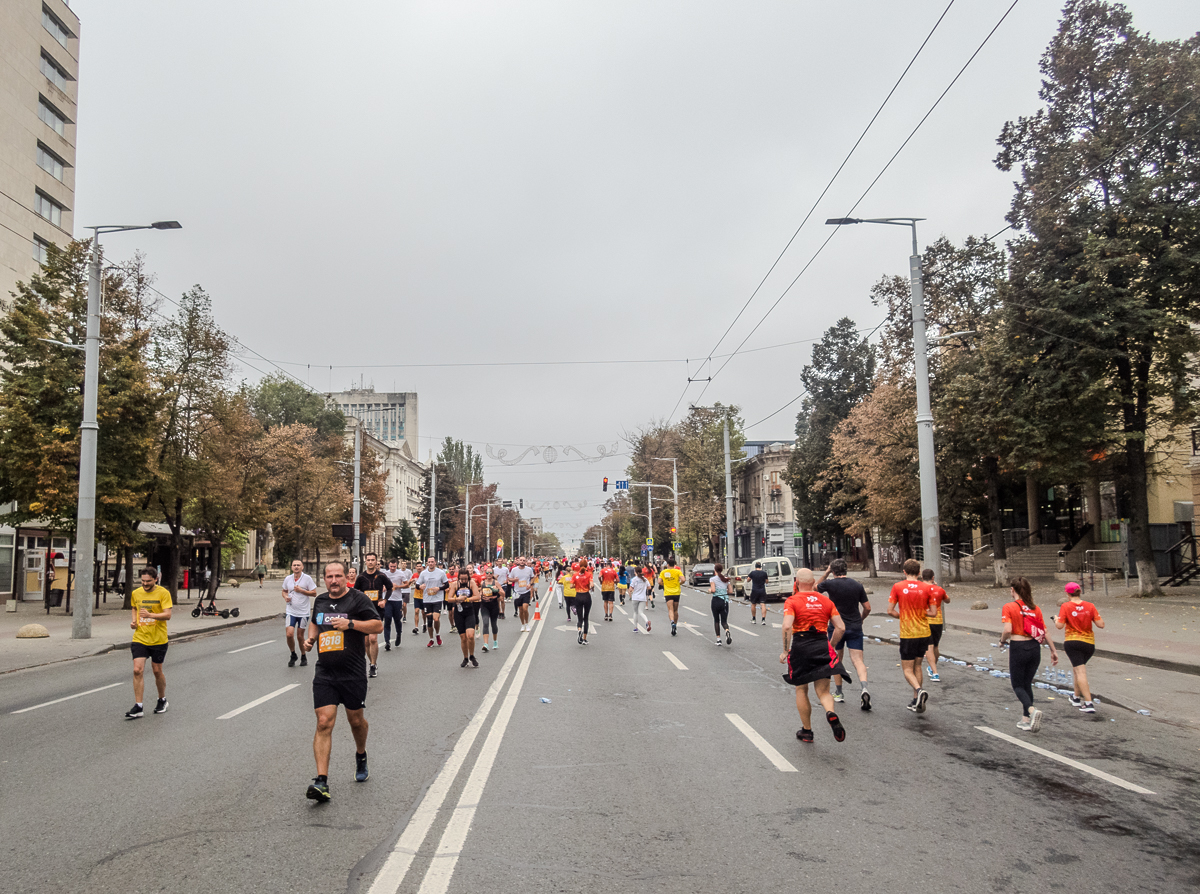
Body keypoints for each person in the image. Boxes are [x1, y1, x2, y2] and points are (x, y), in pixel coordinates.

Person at [301, 562, 383, 802]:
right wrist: (311, 639)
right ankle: (321, 781)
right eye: (329, 576)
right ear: (324, 579)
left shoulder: (357, 600)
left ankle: (360, 754)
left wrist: (351, 624)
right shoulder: (321, 600)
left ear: (346, 577)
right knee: (324, 722)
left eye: (338, 576)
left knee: (356, 721)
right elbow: (316, 620)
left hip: (353, 672)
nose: (334, 580)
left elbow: (377, 625)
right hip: (325, 672)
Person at [780, 568, 849, 743]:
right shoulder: (826, 601)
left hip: (801, 646)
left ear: (796, 582)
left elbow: (787, 626)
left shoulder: (792, 601)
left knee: (801, 688)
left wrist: (785, 650)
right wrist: (831, 646)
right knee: (824, 690)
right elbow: (841, 627)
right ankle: (830, 712)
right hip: (821, 644)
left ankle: (807, 731)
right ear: (813, 583)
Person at [1000, 576, 1059, 732]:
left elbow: (1007, 630)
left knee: (1017, 685)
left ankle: (1032, 711)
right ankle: (1026, 719)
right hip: (1034, 648)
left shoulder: (1009, 607)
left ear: (1013, 590)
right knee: (1027, 684)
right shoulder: (1035, 608)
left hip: (1018, 647)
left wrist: (1002, 641)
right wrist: (1053, 651)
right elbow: (1044, 631)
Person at [816, 559, 872, 710]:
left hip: (836, 627)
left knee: (836, 658)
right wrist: (861, 619)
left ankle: (839, 693)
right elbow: (867, 607)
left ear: (833, 571)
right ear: (846, 570)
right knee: (858, 660)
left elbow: (815, 588)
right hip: (854, 627)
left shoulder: (830, 584)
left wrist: (826, 572)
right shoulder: (857, 585)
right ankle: (864, 688)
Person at [887, 558, 937, 714]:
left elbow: (890, 610)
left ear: (904, 571)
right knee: (918, 666)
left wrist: (903, 616)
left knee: (907, 669)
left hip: (908, 633)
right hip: (924, 632)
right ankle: (916, 700)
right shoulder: (928, 588)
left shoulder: (898, 587)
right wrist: (921, 614)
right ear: (919, 572)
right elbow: (934, 613)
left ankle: (919, 690)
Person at [125, 567, 173, 720]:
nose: (145, 584)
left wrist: (150, 615)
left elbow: (168, 615)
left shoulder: (163, 593)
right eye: (143, 581)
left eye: (148, 581)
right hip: (140, 638)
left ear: (155, 580)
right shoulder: (136, 593)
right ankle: (138, 706)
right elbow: (134, 608)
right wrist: (134, 621)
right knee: (137, 670)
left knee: (157, 671)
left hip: (158, 639)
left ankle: (162, 699)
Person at [1055, 581, 1104, 713]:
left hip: (1073, 642)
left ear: (1067, 593)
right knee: (1077, 668)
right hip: (1089, 644)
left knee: (1080, 672)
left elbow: (1059, 626)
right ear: (1080, 592)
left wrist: (1055, 619)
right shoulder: (1090, 606)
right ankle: (1076, 698)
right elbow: (1101, 624)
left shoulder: (1066, 606)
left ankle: (1088, 703)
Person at [355, 553, 392, 678]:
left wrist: (384, 600)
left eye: (373, 560)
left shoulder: (381, 576)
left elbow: (390, 588)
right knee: (366, 641)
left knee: (373, 638)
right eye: (368, 560)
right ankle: (371, 661)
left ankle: (373, 665)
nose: (370, 562)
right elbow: (355, 593)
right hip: (364, 611)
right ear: (365, 562)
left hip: (377, 610)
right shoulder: (361, 577)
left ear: (376, 562)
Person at [283, 559, 318, 668]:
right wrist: (285, 597)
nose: (296, 567)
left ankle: (303, 655)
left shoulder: (307, 579)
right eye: (294, 565)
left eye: (298, 565)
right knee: (289, 634)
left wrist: (301, 590)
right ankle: (293, 654)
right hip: (291, 611)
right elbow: (284, 591)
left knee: (299, 636)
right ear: (291, 567)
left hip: (303, 612)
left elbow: (314, 593)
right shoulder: (288, 579)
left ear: (302, 567)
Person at [448, 568, 482, 667]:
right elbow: (449, 599)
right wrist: (457, 599)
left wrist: (467, 599)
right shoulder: (455, 584)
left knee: (470, 636)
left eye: (465, 579)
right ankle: (465, 658)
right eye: (462, 579)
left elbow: (477, 596)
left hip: (469, 611)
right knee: (463, 637)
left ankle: (472, 655)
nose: (463, 581)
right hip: (459, 612)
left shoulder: (471, 583)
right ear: (459, 578)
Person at [920, 568, 949, 682]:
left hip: (926, 620)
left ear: (922, 578)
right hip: (938, 621)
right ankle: (932, 668)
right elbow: (948, 600)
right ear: (933, 578)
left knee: (929, 647)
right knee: (935, 646)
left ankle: (935, 672)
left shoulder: (920, 589)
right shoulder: (939, 589)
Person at [416, 557, 449, 647]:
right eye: (429, 562)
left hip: (438, 599)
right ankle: (431, 639)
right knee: (429, 620)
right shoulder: (423, 573)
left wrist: (439, 588)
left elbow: (447, 585)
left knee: (436, 619)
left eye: (432, 562)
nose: (431, 564)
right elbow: (417, 585)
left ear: (435, 563)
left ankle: (437, 635)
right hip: (427, 599)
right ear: (427, 563)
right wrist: (420, 586)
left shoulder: (441, 573)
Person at [383, 559, 413, 651]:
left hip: (397, 599)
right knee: (387, 619)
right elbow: (380, 584)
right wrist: (383, 587)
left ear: (397, 566)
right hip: (387, 600)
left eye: (394, 567)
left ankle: (398, 634)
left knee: (397, 619)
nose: (392, 568)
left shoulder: (400, 574)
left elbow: (407, 585)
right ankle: (387, 641)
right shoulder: (385, 574)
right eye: (391, 566)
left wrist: (397, 586)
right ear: (388, 566)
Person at [509, 557, 536, 632]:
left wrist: (530, 584)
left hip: (526, 591)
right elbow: (509, 578)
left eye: (524, 560)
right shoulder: (514, 570)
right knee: (520, 610)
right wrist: (514, 580)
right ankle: (523, 624)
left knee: (525, 608)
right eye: (521, 560)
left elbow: (533, 577)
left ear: (525, 562)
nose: (522, 562)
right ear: (518, 561)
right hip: (518, 592)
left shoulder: (528, 569)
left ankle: (527, 623)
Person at [709, 563, 733, 646]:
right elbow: (730, 591)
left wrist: (709, 590)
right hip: (725, 601)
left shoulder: (712, 579)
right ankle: (727, 631)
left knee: (716, 620)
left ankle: (718, 639)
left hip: (716, 600)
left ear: (715, 570)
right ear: (722, 570)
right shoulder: (726, 579)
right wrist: (723, 591)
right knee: (724, 621)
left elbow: (713, 590)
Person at [660, 557, 684, 636]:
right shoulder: (677, 571)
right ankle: (675, 625)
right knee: (675, 610)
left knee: (670, 609)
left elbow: (659, 581)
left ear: (667, 564)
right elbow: (683, 580)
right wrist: (678, 584)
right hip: (676, 592)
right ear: (674, 565)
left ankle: (672, 622)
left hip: (668, 593)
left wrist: (665, 584)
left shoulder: (663, 572)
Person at [479, 570, 502, 652]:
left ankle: (495, 641)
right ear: (485, 574)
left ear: (493, 574)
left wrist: (497, 590)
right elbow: (480, 592)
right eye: (487, 573)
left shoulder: (496, 583)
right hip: (484, 605)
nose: (489, 574)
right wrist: (481, 596)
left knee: (493, 624)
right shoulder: (482, 583)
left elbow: (503, 593)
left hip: (494, 606)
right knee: (485, 622)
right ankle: (486, 644)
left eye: (490, 573)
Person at [572, 561, 594, 645]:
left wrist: (577, 585)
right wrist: (591, 587)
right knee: (586, 618)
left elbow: (571, 586)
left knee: (579, 617)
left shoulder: (575, 575)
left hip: (578, 596)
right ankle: (584, 638)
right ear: (586, 566)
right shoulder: (589, 574)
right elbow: (591, 585)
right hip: (586, 596)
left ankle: (579, 629)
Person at [630, 566, 651, 633]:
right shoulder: (645, 579)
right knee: (641, 612)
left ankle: (635, 628)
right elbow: (649, 587)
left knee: (635, 612)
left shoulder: (634, 579)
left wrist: (632, 590)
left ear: (635, 572)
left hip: (635, 597)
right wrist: (643, 588)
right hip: (643, 598)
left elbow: (630, 589)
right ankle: (647, 621)